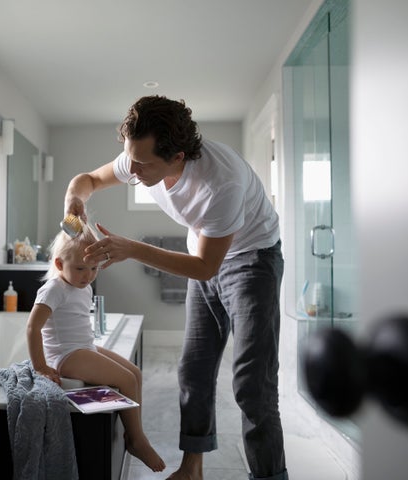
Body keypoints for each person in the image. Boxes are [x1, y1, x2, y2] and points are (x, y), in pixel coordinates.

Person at [62, 95, 288, 480]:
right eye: (129, 159)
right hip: (207, 255)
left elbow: (205, 268)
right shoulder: (138, 158)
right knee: (193, 371)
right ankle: (192, 469)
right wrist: (74, 199)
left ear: (178, 156)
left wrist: (131, 248)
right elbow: (89, 180)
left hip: (253, 260)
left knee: (253, 383)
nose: (132, 171)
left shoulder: (222, 183)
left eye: (144, 165)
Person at [26, 221, 166, 473]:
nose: (88, 275)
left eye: (94, 268)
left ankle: (134, 433)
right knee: (125, 379)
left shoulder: (83, 286)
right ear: (59, 264)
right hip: (66, 355)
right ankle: (136, 439)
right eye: (80, 268)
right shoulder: (54, 289)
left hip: (83, 347)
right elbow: (32, 328)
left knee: (134, 373)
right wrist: (41, 366)